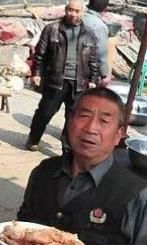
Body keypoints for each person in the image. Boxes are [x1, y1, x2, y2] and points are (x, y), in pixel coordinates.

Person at [18, 88, 147, 245]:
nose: (91, 128)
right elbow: (19, 232)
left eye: (104, 121)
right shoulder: (43, 173)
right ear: (69, 121)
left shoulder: (141, 198)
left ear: (120, 134)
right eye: (84, 116)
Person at [25, 0, 101, 151]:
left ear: (82, 13)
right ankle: (34, 138)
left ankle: (67, 150)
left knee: (73, 119)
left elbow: (94, 59)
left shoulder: (89, 34)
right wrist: (37, 73)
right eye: (70, 10)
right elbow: (40, 54)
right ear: (66, 10)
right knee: (45, 113)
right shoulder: (52, 29)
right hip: (55, 80)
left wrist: (93, 79)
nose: (73, 14)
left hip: (78, 84)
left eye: (77, 11)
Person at [83, 0, 111, 86]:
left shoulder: (80, 18)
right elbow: (101, 52)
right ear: (105, 8)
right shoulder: (99, 26)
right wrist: (104, 74)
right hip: (88, 70)